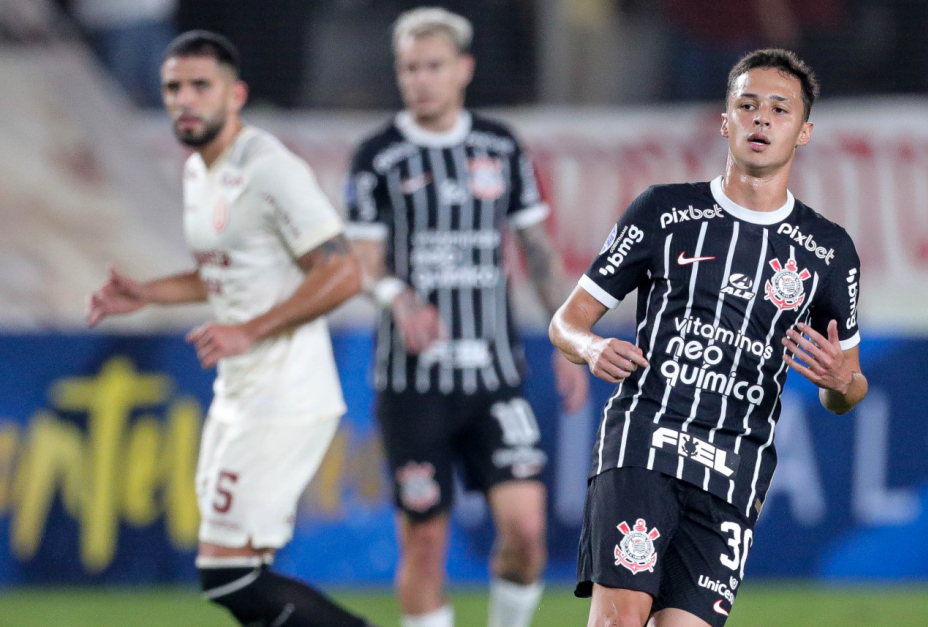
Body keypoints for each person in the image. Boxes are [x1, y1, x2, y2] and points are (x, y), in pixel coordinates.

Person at [550, 49, 868, 627]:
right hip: (645, 439)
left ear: (804, 131)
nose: (762, 119)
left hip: (734, 466)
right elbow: (566, 322)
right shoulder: (663, 212)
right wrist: (593, 347)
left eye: (779, 108)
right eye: (747, 105)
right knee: (618, 620)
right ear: (726, 121)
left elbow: (845, 386)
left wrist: (845, 384)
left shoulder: (828, 251)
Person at [86, 30, 373, 627]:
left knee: (227, 575)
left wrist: (252, 330)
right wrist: (149, 292)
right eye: (173, 88)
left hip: (284, 393)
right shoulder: (199, 172)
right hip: (240, 393)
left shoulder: (269, 168)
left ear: (235, 94)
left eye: (200, 86)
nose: (184, 99)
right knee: (244, 573)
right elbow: (228, 271)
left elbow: (345, 272)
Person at [344, 8, 589, 627]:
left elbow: (538, 252)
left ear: (463, 70)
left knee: (527, 533)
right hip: (412, 385)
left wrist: (570, 337)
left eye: (433, 67)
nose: (420, 79)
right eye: (409, 68)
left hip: (494, 378)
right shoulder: (378, 156)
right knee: (424, 546)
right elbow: (363, 261)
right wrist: (398, 297)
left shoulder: (500, 146)